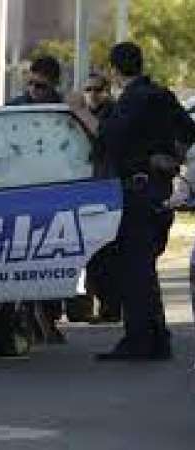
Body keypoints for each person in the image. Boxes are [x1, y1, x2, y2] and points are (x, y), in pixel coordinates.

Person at [69, 42, 195, 360]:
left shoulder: (132, 100)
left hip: (136, 194)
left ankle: (140, 340)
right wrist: (169, 157)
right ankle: (156, 338)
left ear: (114, 70)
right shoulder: (162, 94)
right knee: (144, 269)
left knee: (133, 269)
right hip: (157, 191)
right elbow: (189, 132)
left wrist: (79, 111)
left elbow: (108, 139)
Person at [7, 55, 66, 345]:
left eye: (40, 86)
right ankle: (27, 318)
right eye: (30, 83)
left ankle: (48, 317)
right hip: (20, 193)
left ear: (54, 84)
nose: (33, 90)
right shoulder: (13, 109)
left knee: (54, 259)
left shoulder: (65, 110)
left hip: (55, 195)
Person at [81, 72, 122, 324]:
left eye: (97, 90)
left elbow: (103, 138)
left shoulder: (113, 114)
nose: (92, 95)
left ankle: (111, 306)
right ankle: (98, 304)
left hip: (107, 188)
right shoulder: (81, 116)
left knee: (108, 252)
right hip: (86, 188)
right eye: (88, 90)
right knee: (93, 255)